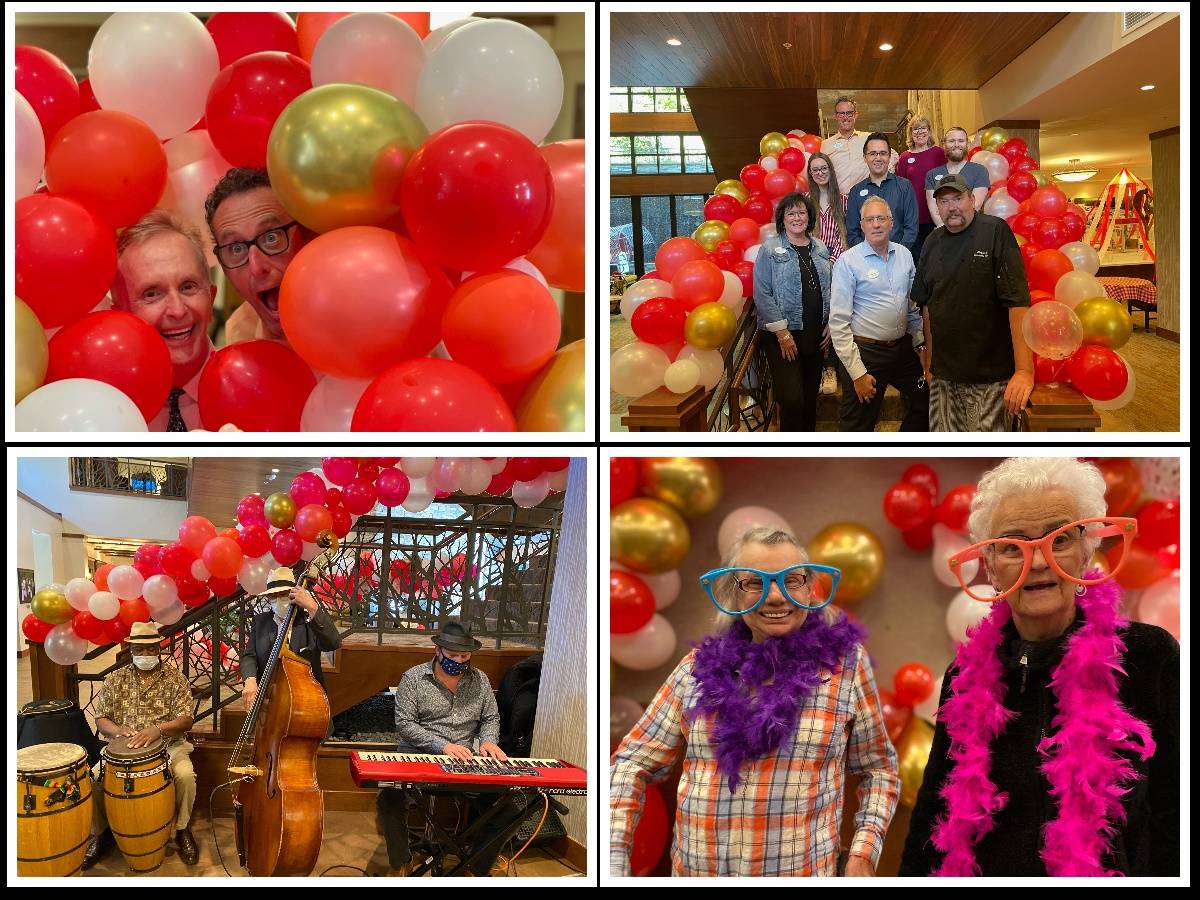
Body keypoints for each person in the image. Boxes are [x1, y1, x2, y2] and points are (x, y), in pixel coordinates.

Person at [900, 457, 1179, 876]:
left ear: (1086, 551)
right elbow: (932, 813)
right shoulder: (965, 676)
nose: (1039, 561)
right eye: (1013, 547)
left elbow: (1176, 813)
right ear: (990, 565)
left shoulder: (1148, 656)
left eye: (1060, 539)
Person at [610, 527, 899, 876]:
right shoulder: (696, 669)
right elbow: (630, 764)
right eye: (754, 582)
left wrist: (863, 854)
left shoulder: (846, 666)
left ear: (810, 588)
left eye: (791, 580)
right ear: (735, 593)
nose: (775, 596)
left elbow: (878, 769)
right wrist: (612, 863)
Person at [378, 621, 513, 877]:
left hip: (463, 761)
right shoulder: (413, 678)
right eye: (452, 655)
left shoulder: (480, 680)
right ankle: (401, 863)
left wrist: (488, 740)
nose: (459, 661)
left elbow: (490, 718)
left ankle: (475, 868)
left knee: (508, 808)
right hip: (417, 755)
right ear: (437, 650)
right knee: (389, 800)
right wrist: (443, 746)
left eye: (465, 656)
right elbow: (405, 725)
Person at [913, 174, 1033, 432]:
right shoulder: (932, 242)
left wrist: (1024, 371)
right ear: (937, 207)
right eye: (944, 201)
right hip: (943, 377)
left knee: (986, 453)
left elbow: (1017, 300)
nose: (951, 207)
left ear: (972, 200)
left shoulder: (995, 231)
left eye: (957, 198)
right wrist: (930, 364)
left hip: (991, 378)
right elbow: (928, 307)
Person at [83, 622, 199, 869]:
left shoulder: (175, 678)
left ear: (159, 648)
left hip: (168, 746)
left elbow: (186, 719)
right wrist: (117, 731)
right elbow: (101, 718)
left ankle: (182, 829)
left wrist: (157, 729)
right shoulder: (116, 679)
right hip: (122, 752)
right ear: (130, 650)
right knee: (91, 780)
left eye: (151, 649)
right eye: (139, 649)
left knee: (185, 775)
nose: (146, 654)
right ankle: (102, 833)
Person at [110, 209, 216, 432]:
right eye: (152, 294)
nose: (177, 310)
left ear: (211, 298)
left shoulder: (258, 391)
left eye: (188, 287)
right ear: (120, 315)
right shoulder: (104, 403)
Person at [829, 196, 928, 432]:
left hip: (901, 349)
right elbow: (839, 323)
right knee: (857, 427)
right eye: (870, 219)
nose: (876, 224)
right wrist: (857, 373)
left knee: (927, 399)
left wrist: (921, 345)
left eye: (881, 218)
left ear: (891, 223)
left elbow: (912, 306)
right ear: (861, 225)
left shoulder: (904, 255)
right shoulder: (848, 261)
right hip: (866, 353)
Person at [752, 191, 833, 431]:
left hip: (815, 332)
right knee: (791, 399)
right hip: (783, 336)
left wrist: (830, 322)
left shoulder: (820, 247)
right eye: (791, 213)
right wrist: (782, 333)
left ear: (809, 217)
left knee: (809, 396)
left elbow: (830, 287)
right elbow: (761, 293)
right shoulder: (770, 249)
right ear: (782, 219)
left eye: (801, 213)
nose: (797, 218)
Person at [204, 168, 312, 345]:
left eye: (271, 238)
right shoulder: (241, 333)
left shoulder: (357, 305)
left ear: (306, 236)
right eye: (236, 249)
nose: (256, 267)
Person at [240, 567, 341, 712]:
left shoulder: (308, 620)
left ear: (294, 594)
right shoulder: (261, 621)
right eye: (273, 596)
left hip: (306, 700)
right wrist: (250, 680)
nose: (278, 600)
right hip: (271, 700)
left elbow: (333, 642)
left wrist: (312, 606)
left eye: (283, 595)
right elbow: (249, 655)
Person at [845, 133, 919, 251]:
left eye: (883, 153)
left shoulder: (905, 187)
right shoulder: (855, 192)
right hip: (866, 259)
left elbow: (911, 228)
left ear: (889, 157)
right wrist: (869, 255)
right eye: (873, 153)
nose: (878, 158)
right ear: (865, 157)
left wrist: (896, 254)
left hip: (899, 256)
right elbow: (853, 233)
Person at [820, 96, 899, 200]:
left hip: (867, 198)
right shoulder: (826, 144)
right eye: (841, 113)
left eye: (849, 113)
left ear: (855, 115)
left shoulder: (868, 139)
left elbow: (893, 155)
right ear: (835, 116)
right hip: (838, 201)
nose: (845, 117)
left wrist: (881, 177)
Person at [894, 117, 947, 263]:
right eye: (915, 129)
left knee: (935, 257)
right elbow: (901, 188)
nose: (920, 132)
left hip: (935, 214)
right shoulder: (904, 157)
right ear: (910, 133)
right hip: (913, 216)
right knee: (916, 258)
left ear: (929, 131)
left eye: (923, 128)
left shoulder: (939, 153)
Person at [924, 127, 989, 226]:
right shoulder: (932, 175)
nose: (956, 144)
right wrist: (947, 231)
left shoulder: (980, 171)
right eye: (951, 141)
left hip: (973, 229)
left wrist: (958, 230)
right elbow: (935, 211)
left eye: (961, 141)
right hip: (943, 230)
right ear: (944, 145)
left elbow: (975, 206)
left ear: (967, 144)